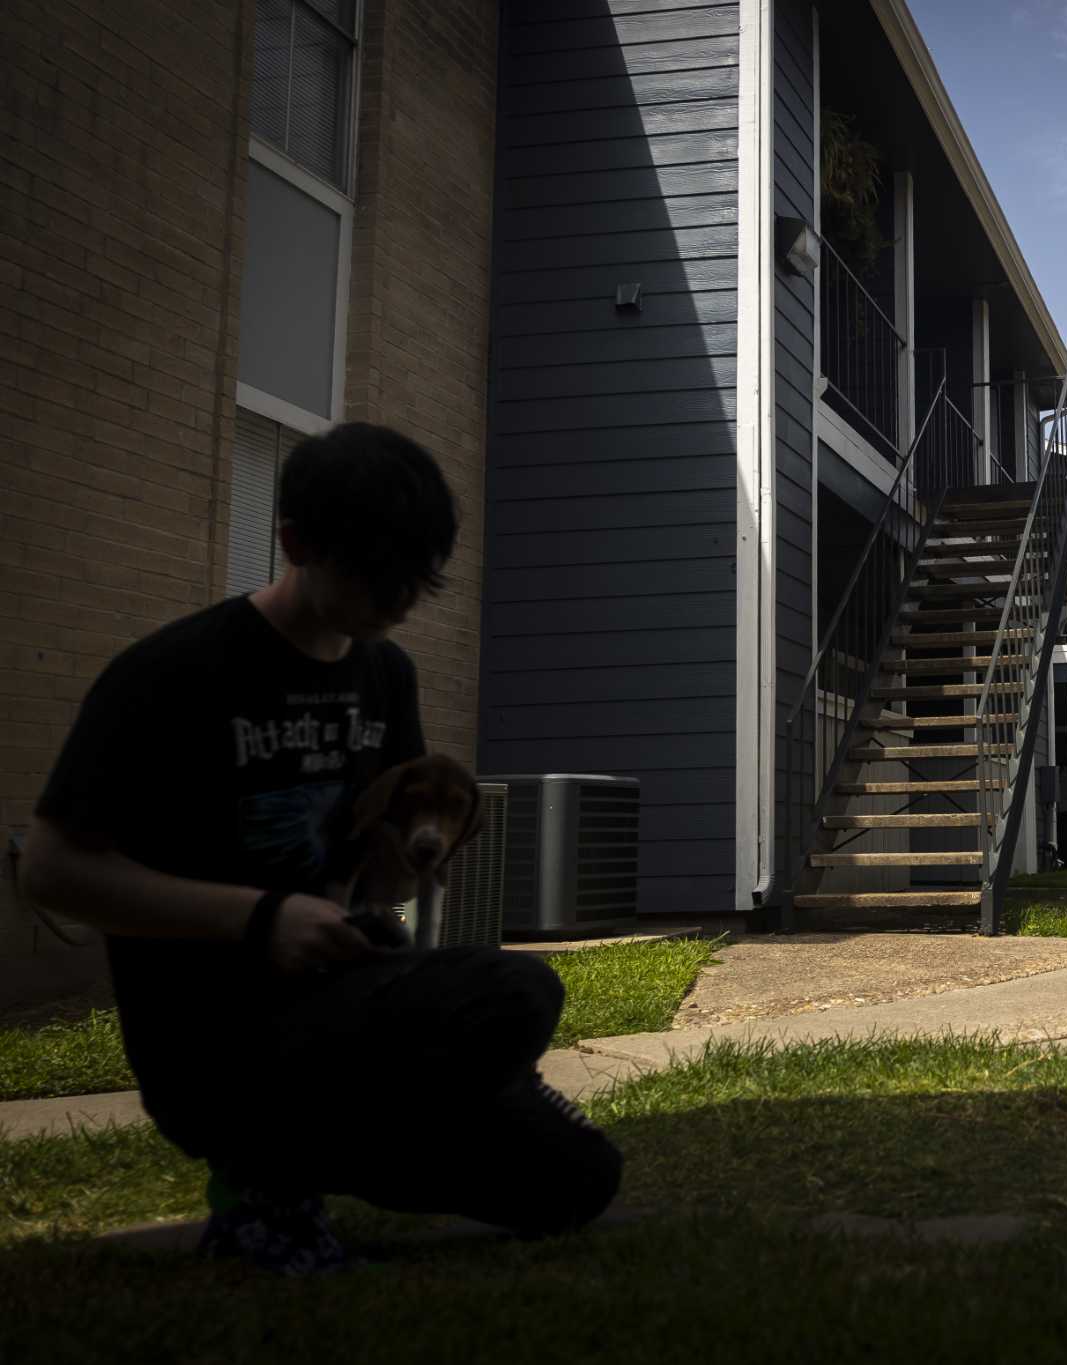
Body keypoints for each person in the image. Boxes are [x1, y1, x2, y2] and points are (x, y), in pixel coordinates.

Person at [20, 423, 623, 1272]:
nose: (400, 600)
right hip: (214, 1037)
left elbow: (375, 876)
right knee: (518, 988)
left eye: (417, 577)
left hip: (347, 1001)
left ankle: (336, 1146)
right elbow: (51, 868)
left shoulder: (386, 675)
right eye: (377, 576)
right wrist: (260, 917)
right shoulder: (171, 673)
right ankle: (260, 1181)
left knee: (579, 1180)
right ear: (296, 542)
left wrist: (404, 861)